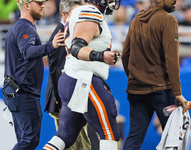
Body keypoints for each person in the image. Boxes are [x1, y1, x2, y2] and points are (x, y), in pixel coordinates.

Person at [43, 0, 122, 150]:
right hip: (84, 79)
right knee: (109, 132)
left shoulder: (79, 13)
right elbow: (77, 47)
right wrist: (101, 56)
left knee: (65, 135)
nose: (112, 2)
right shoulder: (90, 12)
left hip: (73, 77)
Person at [121, 0, 191, 149]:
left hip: (136, 89)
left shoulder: (135, 20)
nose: (175, 1)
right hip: (161, 91)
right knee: (174, 139)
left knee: (134, 137)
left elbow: (124, 56)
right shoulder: (168, 19)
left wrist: (136, 79)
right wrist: (177, 93)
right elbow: (172, 59)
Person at [1, 0, 65, 149]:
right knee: (30, 140)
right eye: (39, 2)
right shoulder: (25, 27)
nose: (43, 5)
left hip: (16, 91)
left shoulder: (21, 27)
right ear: (26, 5)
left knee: (25, 139)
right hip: (23, 93)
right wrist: (51, 46)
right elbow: (27, 51)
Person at [44, 0, 92, 150]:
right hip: (65, 102)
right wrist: (61, 102)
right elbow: (57, 70)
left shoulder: (69, 32)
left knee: (81, 143)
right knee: (77, 145)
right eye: (76, 13)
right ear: (64, 15)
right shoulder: (61, 36)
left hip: (71, 99)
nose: (80, 17)